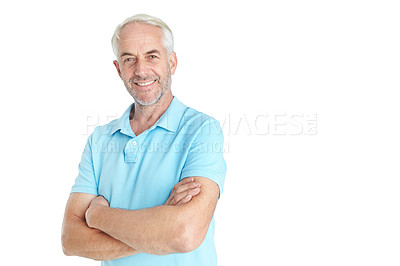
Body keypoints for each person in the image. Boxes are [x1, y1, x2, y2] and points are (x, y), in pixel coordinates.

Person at [61, 14, 227, 266]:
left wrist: (97, 215)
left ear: (171, 62)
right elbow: (71, 239)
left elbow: (184, 234)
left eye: (152, 56)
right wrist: (159, 230)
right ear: (118, 69)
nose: (140, 70)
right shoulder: (100, 140)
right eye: (129, 59)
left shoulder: (201, 130)